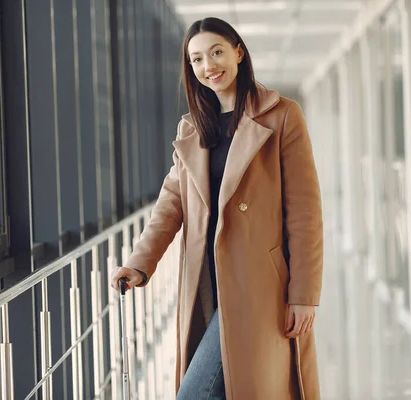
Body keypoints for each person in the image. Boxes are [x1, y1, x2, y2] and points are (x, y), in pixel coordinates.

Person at [110, 16, 323, 400]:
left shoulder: (283, 116)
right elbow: (170, 203)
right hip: (206, 280)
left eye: (217, 52)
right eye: (196, 59)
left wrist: (304, 293)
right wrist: (140, 263)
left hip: (257, 285)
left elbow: (305, 214)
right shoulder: (191, 128)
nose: (209, 66)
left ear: (238, 52)